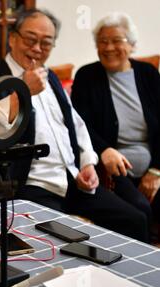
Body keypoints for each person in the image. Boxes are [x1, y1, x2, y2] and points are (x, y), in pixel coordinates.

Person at [0, 9, 150, 243]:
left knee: (134, 219)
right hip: (29, 185)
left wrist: (87, 163)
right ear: (12, 38)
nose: (37, 48)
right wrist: (22, 92)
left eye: (46, 43)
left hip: (73, 181)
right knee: (63, 241)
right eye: (30, 39)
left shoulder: (50, 76)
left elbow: (76, 123)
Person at [71, 12, 159, 240]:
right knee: (140, 210)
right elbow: (81, 125)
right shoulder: (87, 76)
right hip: (115, 170)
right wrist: (105, 150)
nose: (108, 47)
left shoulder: (148, 74)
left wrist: (156, 170)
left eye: (116, 40)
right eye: (102, 41)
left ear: (132, 45)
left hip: (153, 167)